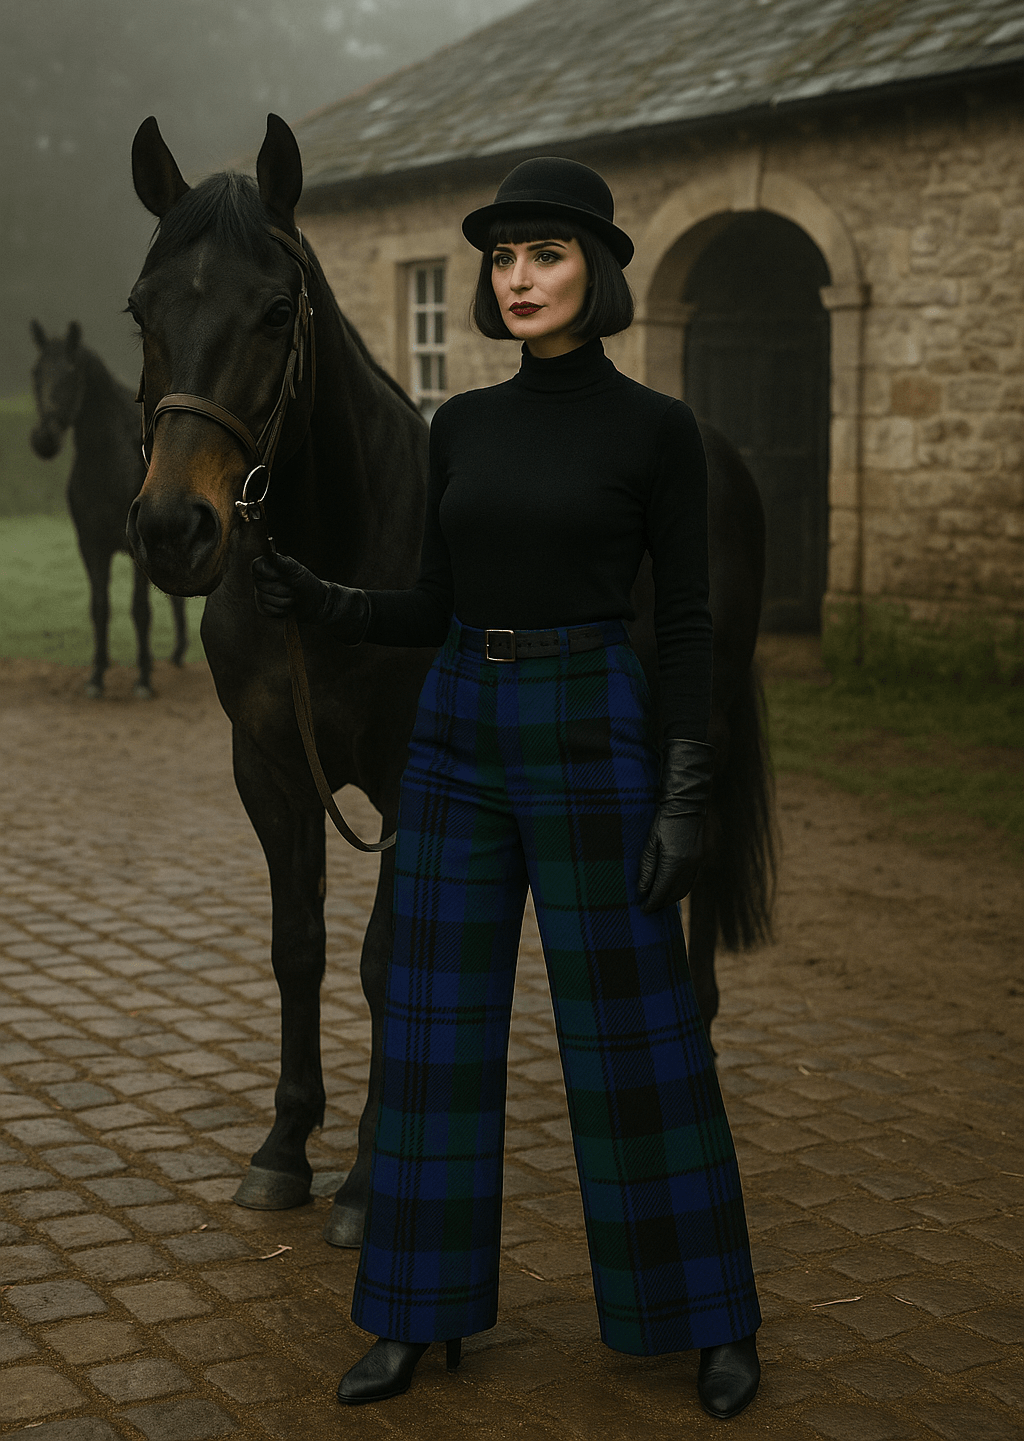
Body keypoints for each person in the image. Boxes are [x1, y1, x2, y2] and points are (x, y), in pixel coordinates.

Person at [252, 157, 762, 1420]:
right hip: (459, 732)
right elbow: (432, 602)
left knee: (635, 1040)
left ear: (598, 268)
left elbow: (688, 623)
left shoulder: (656, 434)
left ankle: (704, 1318)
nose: (519, 278)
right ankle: (413, 1321)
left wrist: (687, 783)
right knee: (430, 1034)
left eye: (544, 253)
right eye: (502, 258)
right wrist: (324, 600)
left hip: (595, 723)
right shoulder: (461, 429)